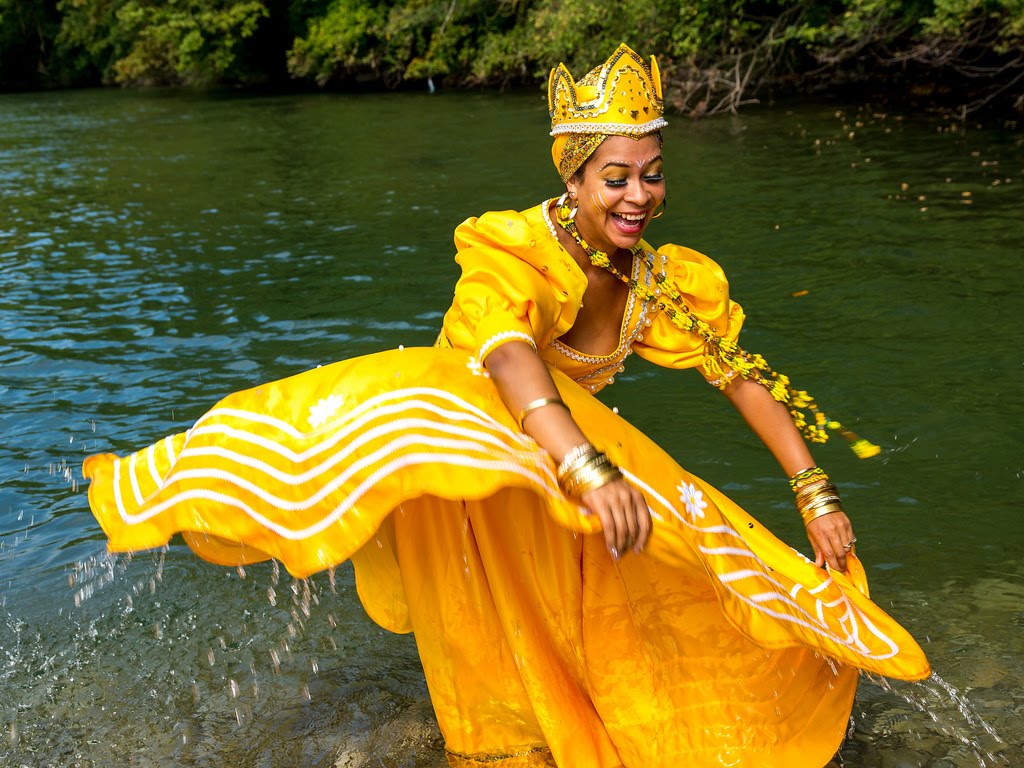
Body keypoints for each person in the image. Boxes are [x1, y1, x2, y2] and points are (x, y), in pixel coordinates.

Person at [84, 44, 929, 767]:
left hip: (554, 460)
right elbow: (511, 357)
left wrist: (814, 492)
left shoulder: (665, 281)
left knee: (654, 583)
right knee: (503, 663)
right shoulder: (517, 250)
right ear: (573, 174)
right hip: (476, 452)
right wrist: (587, 467)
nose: (638, 197)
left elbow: (742, 374)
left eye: (652, 176)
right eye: (615, 178)